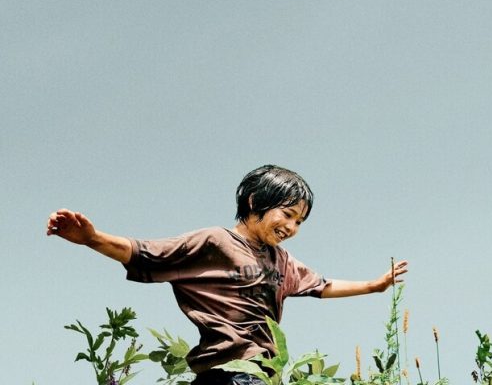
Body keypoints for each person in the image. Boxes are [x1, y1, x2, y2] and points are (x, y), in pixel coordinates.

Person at [47, 164, 409, 385]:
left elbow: (322, 286)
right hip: (228, 372)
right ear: (254, 202)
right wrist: (92, 238)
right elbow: (145, 252)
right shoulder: (214, 242)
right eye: (287, 214)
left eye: (300, 221)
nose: (292, 227)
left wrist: (374, 286)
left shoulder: (281, 260)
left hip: (261, 374)